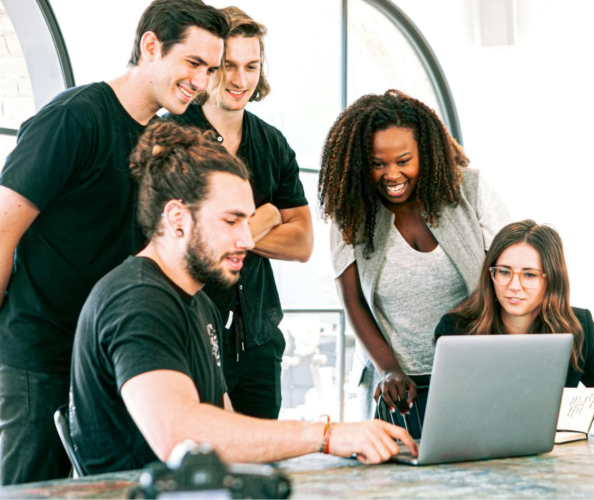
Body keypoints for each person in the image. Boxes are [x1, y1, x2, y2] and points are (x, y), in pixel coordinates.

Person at [69, 121, 416, 474]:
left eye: (247, 222)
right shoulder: (138, 300)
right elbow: (182, 436)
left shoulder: (200, 303)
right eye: (231, 221)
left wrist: (334, 448)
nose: (248, 241)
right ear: (177, 217)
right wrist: (326, 436)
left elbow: (227, 429)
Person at [0, 0, 229, 485]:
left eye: (211, 69)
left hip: (114, 356)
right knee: (31, 489)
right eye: (193, 63)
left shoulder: (169, 136)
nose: (203, 82)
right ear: (150, 46)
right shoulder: (72, 119)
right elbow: (2, 229)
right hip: (42, 352)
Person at [319, 90, 511, 420]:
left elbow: (508, 275)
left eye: (403, 161)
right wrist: (390, 371)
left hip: (475, 371)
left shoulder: (470, 190)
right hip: (397, 386)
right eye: (378, 164)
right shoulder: (350, 212)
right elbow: (353, 302)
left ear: (426, 152)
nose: (391, 175)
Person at [168, 7, 313, 420]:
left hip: (259, 340)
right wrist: (267, 216)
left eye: (251, 66)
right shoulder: (173, 136)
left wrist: (229, 231)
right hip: (190, 335)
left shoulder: (272, 143)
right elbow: (181, 241)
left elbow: (303, 242)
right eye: (227, 65)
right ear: (208, 67)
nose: (239, 80)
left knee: (259, 471)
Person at [435, 220, 594, 435]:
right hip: (474, 456)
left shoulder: (577, 327)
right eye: (504, 272)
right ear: (491, 275)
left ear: (551, 280)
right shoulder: (457, 329)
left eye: (529, 275)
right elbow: (444, 414)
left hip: (549, 462)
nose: (514, 285)